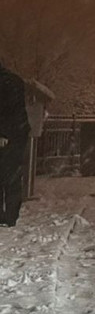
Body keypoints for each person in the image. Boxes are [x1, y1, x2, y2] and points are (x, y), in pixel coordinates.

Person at [0, 61, 30, 227]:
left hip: (9, 135)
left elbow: (8, 110)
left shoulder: (7, 83)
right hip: (17, 133)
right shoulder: (12, 80)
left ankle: (8, 216)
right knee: (11, 174)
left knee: (8, 174)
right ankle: (11, 214)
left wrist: (3, 133)